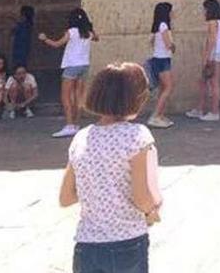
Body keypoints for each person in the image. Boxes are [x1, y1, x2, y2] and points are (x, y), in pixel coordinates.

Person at [60, 62, 161, 273]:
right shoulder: (138, 137)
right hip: (127, 240)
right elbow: (142, 196)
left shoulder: (81, 138)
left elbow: (66, 197)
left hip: (86, 245)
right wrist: (152, 211)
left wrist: (98, 183)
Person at [39, 8, 99, 138]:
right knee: (78, 96)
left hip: (72, 65)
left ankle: (69, 125)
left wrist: (45, 39)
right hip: (84, 65)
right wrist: (90, 27)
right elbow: (97, 38)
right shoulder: (88, 32)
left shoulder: (71, 32)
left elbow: (56, 44)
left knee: (66, 96)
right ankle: (76, 124)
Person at [186, 0, 220, 122]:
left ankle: (214, 112)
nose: (203, 11)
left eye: (205, 8)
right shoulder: (219, 21)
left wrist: (206, 57)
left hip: (214, 53)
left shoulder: (212, 22)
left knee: (213, 82)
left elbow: (211, 41)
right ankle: (200, 108)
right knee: (204, 81)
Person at [147, 2, 175, 129]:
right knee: (168, 87)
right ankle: (155, 116)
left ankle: (160, 115)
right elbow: (168, 44)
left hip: (158, 58)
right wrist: (173, 46)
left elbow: (151, 42)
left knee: (163, 88)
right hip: (163, 59)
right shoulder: (163, 25)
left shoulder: (157, 25)